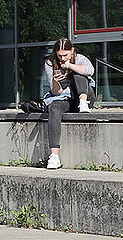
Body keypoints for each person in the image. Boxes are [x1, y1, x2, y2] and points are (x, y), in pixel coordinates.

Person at [41, 38, 96, 170]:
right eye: (59, 55)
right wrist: (56, 81)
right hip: (65, 98)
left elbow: (91, 71)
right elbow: (56, 92)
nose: (62, 58)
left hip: (85, 96)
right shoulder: (50, 63)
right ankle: (54, 156)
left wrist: (70, 67)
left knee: (79, 74)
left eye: (65, 55)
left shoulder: (80, 58)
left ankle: (83, 103)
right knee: (54, 107)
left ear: (72, 51)